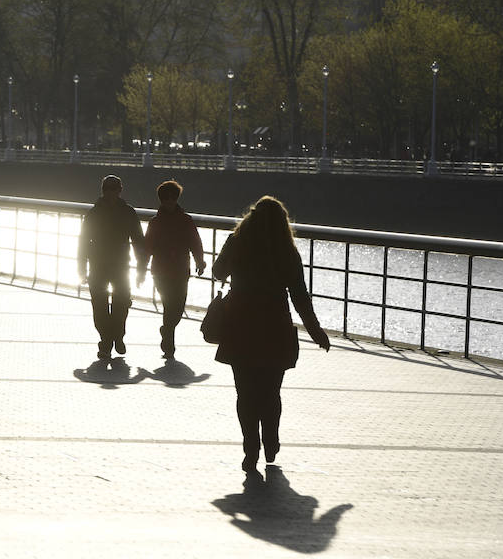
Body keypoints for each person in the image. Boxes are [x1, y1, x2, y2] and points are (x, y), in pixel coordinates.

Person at [211, 196, 330, 472]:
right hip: (275, 326)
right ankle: (271, 438)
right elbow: (300, 296)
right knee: (271, 391)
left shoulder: (238, 242)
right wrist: (315, 331)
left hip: (240, 324)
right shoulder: (286, 250)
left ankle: (250, 447)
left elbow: (218, 272)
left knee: (245, 393)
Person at [78, 175, 147, 359]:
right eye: (108, 190)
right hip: (100, 266)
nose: (111, 194)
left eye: (113, 190)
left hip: (120, 266)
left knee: (121, 304)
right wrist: (81, 268)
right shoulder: (95, 213)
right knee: (100, 307)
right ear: (104, 191)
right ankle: (107, 341)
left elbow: (139, 242)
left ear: (119, 191)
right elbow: (83, 241)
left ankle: (117, 336)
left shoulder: (126, 213)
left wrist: (141, 269)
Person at [144, 180, 206, 359]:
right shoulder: (155, 222)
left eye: (172, 198)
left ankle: (166, 329)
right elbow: (147, 247)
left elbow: (195, 242)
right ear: (161, 200)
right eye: (166, 198)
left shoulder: (186, 220)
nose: (170, 201)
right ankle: (169, 344)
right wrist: (141, 269)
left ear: (177, 198)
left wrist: (200, 261)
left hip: (181, 269)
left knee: (178, 307)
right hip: (160, 271)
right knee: (168, 304)